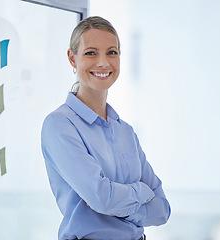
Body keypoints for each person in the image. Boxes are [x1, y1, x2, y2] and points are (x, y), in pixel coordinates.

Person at [41, 16, 171, 240]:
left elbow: (162, 210)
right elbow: (102, 198)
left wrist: (115, 206)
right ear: (72, 58)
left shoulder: (125, 131)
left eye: (112, 52)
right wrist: (140, 192)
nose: (103, 62)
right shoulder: (60, 125)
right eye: (91, 53)